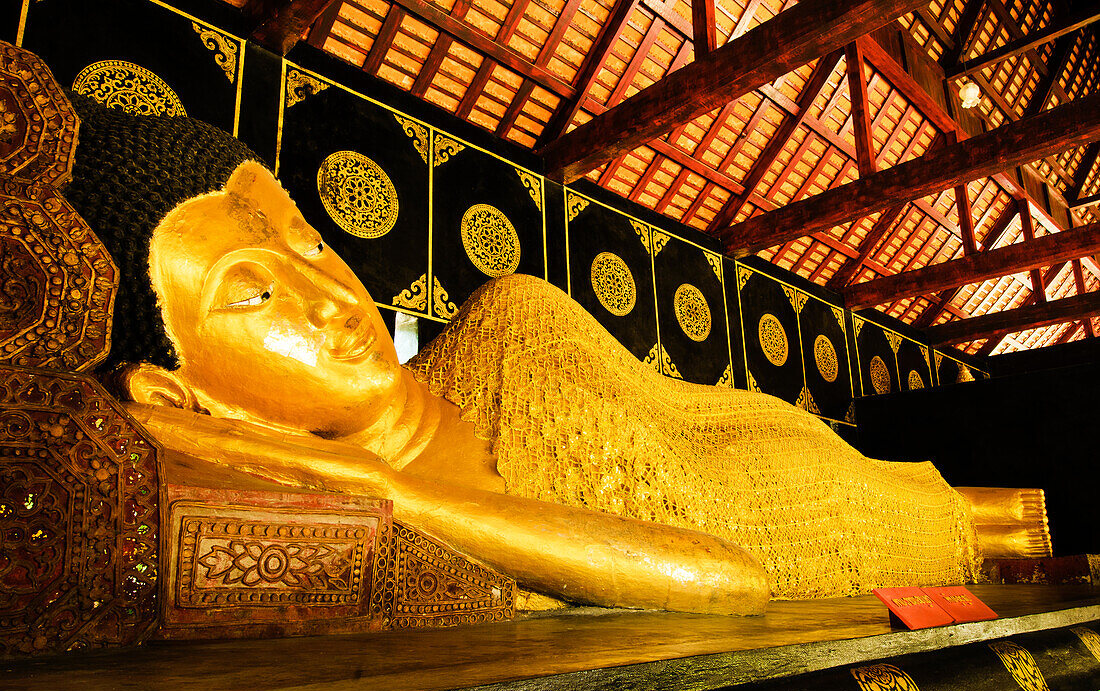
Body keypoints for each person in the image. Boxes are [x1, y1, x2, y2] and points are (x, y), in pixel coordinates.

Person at [64, 95, 985, 616]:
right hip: (823, 557)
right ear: (178, 395)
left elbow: (699, 411)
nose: (331, 297)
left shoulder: (503, 322)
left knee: (960, 506)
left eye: (309, 243)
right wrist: (347, 480)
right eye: (253, 291)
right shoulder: (378, 549)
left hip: (801, 461)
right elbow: (726, 576)